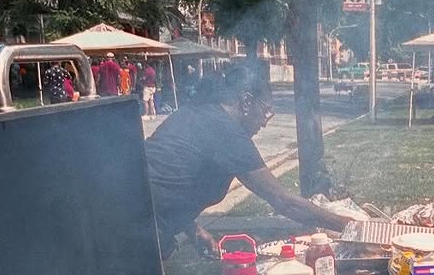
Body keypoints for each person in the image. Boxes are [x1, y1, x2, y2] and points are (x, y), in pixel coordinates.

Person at [144, 76, 346, 257]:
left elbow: (170, 177)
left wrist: (192, 228)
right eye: (266, 111)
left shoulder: (192, 115)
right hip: (134, 229)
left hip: (130, 213)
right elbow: (284, 202)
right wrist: (350, 226)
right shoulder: (228, 135)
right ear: (247, 102)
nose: (265, 123)